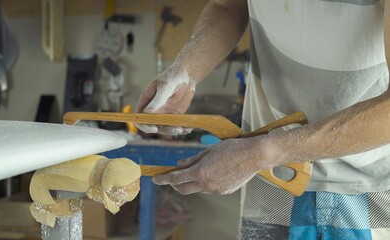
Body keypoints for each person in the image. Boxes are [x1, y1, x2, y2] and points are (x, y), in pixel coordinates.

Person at [136, 0, 390, 239]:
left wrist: (261, 152)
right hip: (271, 174)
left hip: (368, 175)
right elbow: (226, 6)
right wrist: (187, 70)